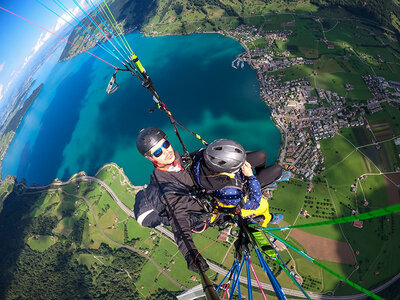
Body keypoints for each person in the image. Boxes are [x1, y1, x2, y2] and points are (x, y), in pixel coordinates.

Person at [136, 127, 210, 273]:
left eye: (166, 144)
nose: (166, 151)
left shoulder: (182, 160)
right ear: (151, 158)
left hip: (202, 200)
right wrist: (190, 253)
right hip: (198, 216)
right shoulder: (164, 185)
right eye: (158, 152)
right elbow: (179, 220)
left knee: (260, 156)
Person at [193, 139, 291, 226]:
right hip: (239, 188)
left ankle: (265, 181)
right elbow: (255, 203)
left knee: (261, 155)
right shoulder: (229, 192)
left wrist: (236, 164)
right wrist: (251, 176)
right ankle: (269, 216)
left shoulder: (206, 158)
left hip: (231, 176)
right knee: (277, 170)